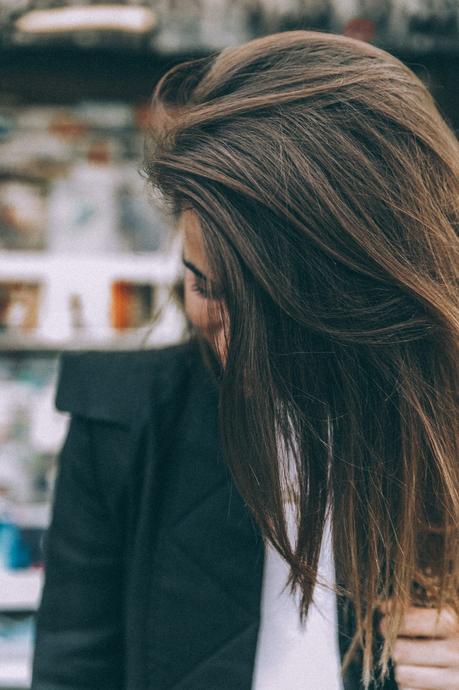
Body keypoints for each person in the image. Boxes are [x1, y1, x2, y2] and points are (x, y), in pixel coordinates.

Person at [31, 31, 459, 690]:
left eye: (283, 317)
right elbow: (72, 671)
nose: (235, 343)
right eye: (204, 286)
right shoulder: (122, 421)